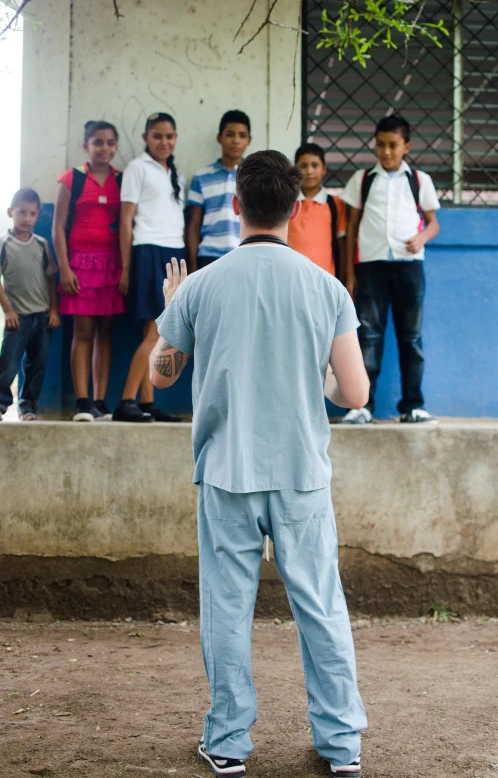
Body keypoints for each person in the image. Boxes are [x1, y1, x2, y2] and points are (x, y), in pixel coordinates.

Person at [149, 151, 369, 778]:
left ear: (236, 205)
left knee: (226, 608)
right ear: (298, 209)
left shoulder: (201, 286)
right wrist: (315, 375)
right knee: (321, 607)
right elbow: (353, 394)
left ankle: (227, 743)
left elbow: (160, 376)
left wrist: (172, 315)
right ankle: (341, 745)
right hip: (301, 473)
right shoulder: (327, 288)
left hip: (227, 473)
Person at [341, 113, 441, 425]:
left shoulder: (419, 180)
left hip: (409, 268)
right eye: (380, 145)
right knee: (369, 336)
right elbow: (352, 227)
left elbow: (434, 222)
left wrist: (421, 237)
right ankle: (362, 406)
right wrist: (350, 274)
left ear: (406, 146)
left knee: (410, 338)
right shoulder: (362, 180)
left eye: (393, 145)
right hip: (370, 268)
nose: (386, 152)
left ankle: (412, 405)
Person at [112, 112, 186, 423]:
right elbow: (126, 220)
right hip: (147, 251)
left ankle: (146, 402)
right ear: (145, 138)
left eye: (169, 136)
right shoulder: (136, 168)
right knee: (155, 331)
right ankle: (126, 400)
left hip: (173, 250)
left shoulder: (176, 173)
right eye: (157, 136)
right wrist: (127, 267)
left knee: (156, 331)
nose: (164, 142)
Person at [53, 120, 125, 421]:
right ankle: (82, 402)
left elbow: (126, 224)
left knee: (105, 334)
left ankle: (99, 402)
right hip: (79, 264)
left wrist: (125, 270)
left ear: (115, 146)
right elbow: (57, 226)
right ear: (86, 146)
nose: (104, 148)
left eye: (110, 143)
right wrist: (64, 269)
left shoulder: (122, 179)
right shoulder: (71, 179)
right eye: (98, 142)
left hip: (111, 264)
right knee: (82, 333)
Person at [0, 188, 60, 421]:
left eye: (32, 213)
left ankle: (28, 407)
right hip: (18, 317)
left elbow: (51, 278)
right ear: (10, 212)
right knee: (9, 363)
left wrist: (54, 309)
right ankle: (2, 404)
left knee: (37, 364)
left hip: (42, 316)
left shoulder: (42, 245)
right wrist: (8, 310)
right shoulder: (4, 243)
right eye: (21, 212)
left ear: (38, 215)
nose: (26, 218)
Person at [187, 110, 251, 272]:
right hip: (209, 255)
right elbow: (194, 225)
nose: (236, 141)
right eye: (230, 134)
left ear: (248, 141)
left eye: (242, 136)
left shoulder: (255, 177)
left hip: (244, 254)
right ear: (219, 138)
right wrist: (193, 265)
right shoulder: (201, 177)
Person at [288, 142, 347, 280]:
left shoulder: (335, 204)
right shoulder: (286, 203)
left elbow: (342, 245)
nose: (309, 171)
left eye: (315, 165)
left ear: (324, 169)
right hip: (290, 278)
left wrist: (343, 279)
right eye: (303, 166)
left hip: (325, 279)